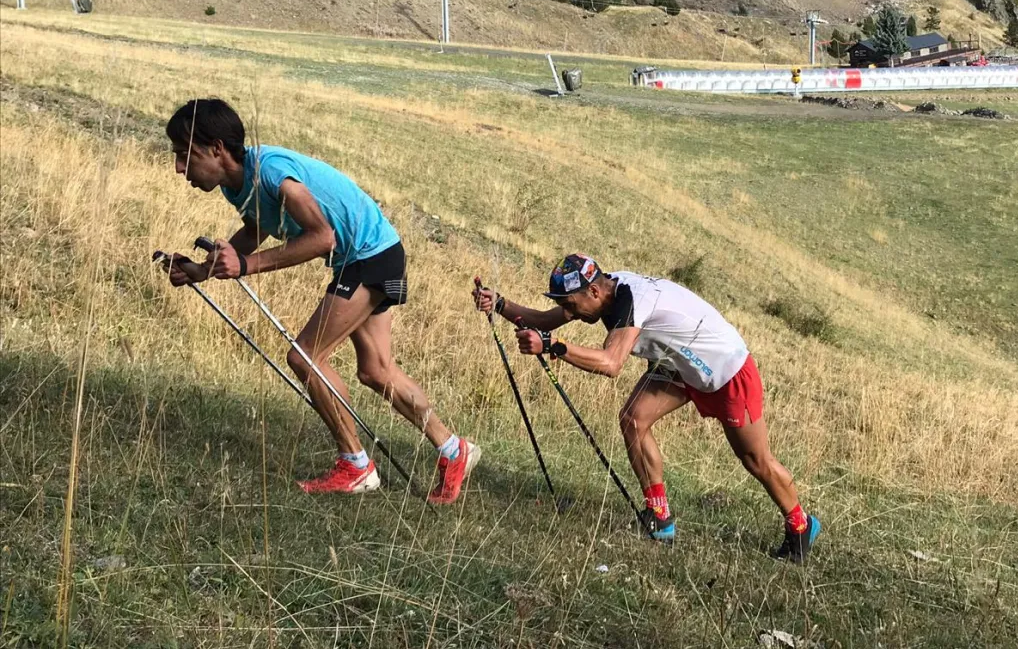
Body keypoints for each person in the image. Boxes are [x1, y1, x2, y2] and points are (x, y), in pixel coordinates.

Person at [161, 98, 478, 501]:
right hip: (371, 254)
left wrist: (245, 266)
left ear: (217, 149)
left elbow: (322, 237)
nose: (178, 167)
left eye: (184, 154)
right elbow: (255, 231)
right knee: (377, 371)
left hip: (368, 257)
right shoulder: (236, 185)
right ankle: (453, 450)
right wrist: (199, 272)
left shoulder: (272, 172)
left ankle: (357, 466)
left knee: (305, 356)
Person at [474, 254, 820, 561]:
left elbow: (611, 364)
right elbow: (547, 320)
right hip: (680, 366)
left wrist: (553, 345)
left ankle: (801, 525)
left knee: (755, 461)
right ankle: (660, 517)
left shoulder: (631, 301)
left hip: (726, 370)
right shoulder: (606, 292)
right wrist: (501, 304)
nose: (569, 312)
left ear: (593, 292)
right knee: (634, 420)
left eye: (571, 304)